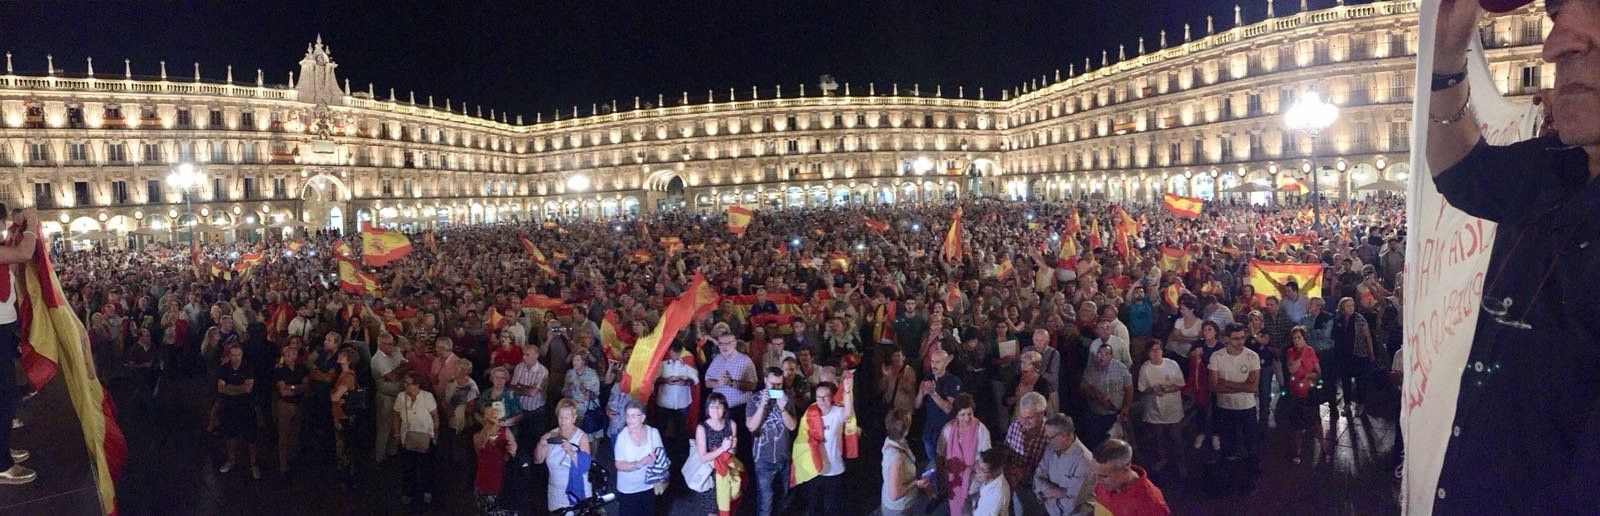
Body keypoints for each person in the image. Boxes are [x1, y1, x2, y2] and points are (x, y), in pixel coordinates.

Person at [746, 367, 796, 516]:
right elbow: (751, 426)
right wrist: (762, 405)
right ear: (765, 380)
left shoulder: (787, 399)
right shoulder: (754, 399)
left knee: (783, 499)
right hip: (763, 460)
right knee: (765, 502)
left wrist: (782, 409)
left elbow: (792, 426)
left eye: (779, 385)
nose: (775, 388)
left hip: (783, 458)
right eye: (772, 384)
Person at [1208, 324, 1260, 459]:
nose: (1240, 341)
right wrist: (1242, 386)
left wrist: (1226, 383)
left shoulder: (1252, 356)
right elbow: (1213, 386)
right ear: (1227, 339)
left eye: (1243, 338)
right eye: (1236, 338)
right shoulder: (1217, 356)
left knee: (1250, 441)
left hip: (1247, 406)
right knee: (1227, 442)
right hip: (1225, 407)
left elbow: (1253, 388)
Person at [938, 393, 992, 516]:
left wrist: (975, 473)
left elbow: (986, 457)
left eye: (970, 414)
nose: (967, 418)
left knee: (971, 510)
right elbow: (940, 454)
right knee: (955, 507)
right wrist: (942, 477)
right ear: (956, 415)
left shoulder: (981, 429)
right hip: (953, 476)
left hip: (973, 477)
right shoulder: (948, 429)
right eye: (962, 415)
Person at [805, 380, 853, 516]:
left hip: (834, 469)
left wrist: (848, 392)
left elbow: (848, 414)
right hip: (815, 469)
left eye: (825, 396)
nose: (821, 400)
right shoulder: (810, 413)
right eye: (818, 397)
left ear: (831, 397)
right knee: (814, 507)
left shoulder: (837, 412)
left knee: (832, 508)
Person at [536, 398, 592, 513]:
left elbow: (585, 466)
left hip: (576, 490)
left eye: (566, 418)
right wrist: (540, 444)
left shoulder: (582, 437)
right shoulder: (551, 435)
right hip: (555, 492)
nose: (563, 421)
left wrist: (571, 452)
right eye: (560, 417)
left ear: (574, 418)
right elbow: (538, 460)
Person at [393, 371, 440, 506]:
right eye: (405, 383)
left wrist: (435, 434)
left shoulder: (427, 397)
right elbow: (396, 414)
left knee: (426, 466)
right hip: (407, 438)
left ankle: (427, 490)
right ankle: (408, 492)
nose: (405, 386)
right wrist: (396, 433)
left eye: (408, 384)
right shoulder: (401, 397)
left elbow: (435, 416)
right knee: (408, 467)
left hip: (425, 437)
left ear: (417, 385)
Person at [215, 343, 261, 480]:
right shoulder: (224, 368)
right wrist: (239, 388)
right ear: (229, 355)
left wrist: (230, 388)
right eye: (233, 355)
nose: (235, 358)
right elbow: (220, 389)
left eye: (238, 355)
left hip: (246, 407)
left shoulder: (248, 367)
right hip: (230, 408)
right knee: (230, 435)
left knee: (251, 437)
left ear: (242, 355)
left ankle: (253, 463)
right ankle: (231, 460)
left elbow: (248, 389)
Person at [1136, 343, 1184, 475]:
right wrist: (1152, 390)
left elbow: (1180, 384)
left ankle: (1180, 460)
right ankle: (1163, 458)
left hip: (1172, 407)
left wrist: (1165, 388)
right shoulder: (1145, 368)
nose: (1156, 353)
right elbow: (1141, 389)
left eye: (1158, 350)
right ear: (1148, 353)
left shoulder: (1172, 364)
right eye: (1153, 350)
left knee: (1176, 436)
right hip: (1154, 408)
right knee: (1158, 436)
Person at [1035, 414, 1095, 516]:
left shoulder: (1084, 461)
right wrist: (1058, 492)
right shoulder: (1051, 448)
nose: (1047, 441)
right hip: (1050, 511)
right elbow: (1037, 478)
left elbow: (1072, 503)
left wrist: (1046, 493)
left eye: (1050, 437)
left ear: (1064, 436)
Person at [1091, 439, 1170, 516]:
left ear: (1126, 467)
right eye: (1095, 473)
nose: (1097, 481)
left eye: (1104, 476)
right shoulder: (1104, 483)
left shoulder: (1150, 504)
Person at [613, 399, 664, 515]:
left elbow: (661, 457)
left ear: (643, 418)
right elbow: (619, 464)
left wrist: (656, 459)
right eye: (628, 416)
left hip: (649, 486)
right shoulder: (622, 437)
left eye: (634, 416)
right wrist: (639, 463)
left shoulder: (653, 432)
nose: (629, 420)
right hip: (628, 489)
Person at [1285, 327, 1325, 464]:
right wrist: (1301, 355)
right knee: (1297, 425)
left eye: (1299, 337)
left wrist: (1308, 375)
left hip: (1309, 391)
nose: (1297, 341)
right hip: (1296, 392)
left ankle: (1324, 448)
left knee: (1316, 421)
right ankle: (1298, 452)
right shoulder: (1290, 352)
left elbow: (1318, 372)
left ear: (1304, 338)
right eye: (1294, 338)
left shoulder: (1311, 351)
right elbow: (1292, 369)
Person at [1003, 391, 1048, 515]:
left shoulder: (1050, 435)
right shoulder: (1015, 425)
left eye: (1028, 418)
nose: (1022, 422)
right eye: (1021, 416)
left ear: (1042, 414)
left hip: (1037, 493)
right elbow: (1006, 451)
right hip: (1014, 485)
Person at [881, 408, 930, 516]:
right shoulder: (896, 459)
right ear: (905, 431)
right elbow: (894, 495)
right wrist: (916, 483)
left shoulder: (892, 440)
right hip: (899, 509)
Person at [695, 392, 737, 516]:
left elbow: (733, 453)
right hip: (709, 476)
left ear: (724, 409)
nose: (715, 410)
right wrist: (723, 449)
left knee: (728, 509)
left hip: (727, 473)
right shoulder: (702, 428)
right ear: (707, 408)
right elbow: (703, 458)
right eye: (712, 406)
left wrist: (732, 447)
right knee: (712, 513)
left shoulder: (731, 424)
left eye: (719, 406)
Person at [916, 348, 960, 465]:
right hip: (929, 431)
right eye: (932, 362)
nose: (934, 365)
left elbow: (949, 409)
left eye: (938, 362)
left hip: (945, 431)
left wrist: (933, 393)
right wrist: (921, 393)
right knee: (933, 463)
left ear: (946, 363)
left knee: (944, 464)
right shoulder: (927, 378)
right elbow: (916, 405)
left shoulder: (952, 381)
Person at [370, 332, 409, 463]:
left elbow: (407, 365)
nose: (389, 347)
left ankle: (392, 452)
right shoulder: (378, 359)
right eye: (386, 344)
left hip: (398, 396)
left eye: (391, 344)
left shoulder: (394, 353)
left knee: (395, 426)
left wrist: (399, 370)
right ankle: (379, 457)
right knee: (384, 428)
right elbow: (393, 377)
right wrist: (400, 370)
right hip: (385, 398)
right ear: (379, 344)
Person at [272, 343, 309, 476]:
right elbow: (283, 392)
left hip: (299, 405)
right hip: (286, 406)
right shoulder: (279, 370)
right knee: (284, 434)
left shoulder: (302, 368)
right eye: (286, 355)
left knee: (295, 432)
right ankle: (283, 464)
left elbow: (306, 386)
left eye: (291, 354)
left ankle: (292, 458)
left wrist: (292, 387)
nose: (289, 357)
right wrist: (297, 388)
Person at [473, 403, 517, 515]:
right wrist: (490, 426)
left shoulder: (505, 432)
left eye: (495, 413)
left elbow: (513, 451)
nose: (494, 416)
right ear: (484, 418)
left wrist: (511, 451)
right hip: (484, 482)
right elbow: (480, 444)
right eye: (490, 414)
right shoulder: (477, 435)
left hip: (501, 481)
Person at [655, 343, 698, 440]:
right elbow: (654, 379)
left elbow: (695, 379)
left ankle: (680, 451)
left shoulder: (687, 364)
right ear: (669, 351)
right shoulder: (662, 364)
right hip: (664, 402)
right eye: (673, 351)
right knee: (661, 428)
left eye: (677, 352)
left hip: (682, 402)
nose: (675, 354)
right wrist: (666, 380)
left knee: (681, 430)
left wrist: (685, 382)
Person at [970, 447, 1012, 516]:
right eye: (978, 464)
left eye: (982, 470)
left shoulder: (997, 495)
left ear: (995, 472)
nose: (977, 471)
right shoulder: (990, 479)